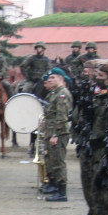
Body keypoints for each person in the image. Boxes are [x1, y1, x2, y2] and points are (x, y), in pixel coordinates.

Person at [41, 67, 73, 202]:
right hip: (52, 130)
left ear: (61, 78)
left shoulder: (62, 94)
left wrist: (55, 134)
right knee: (52, 160)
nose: (49, 80)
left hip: (59, 132)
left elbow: (61, 117)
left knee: (58, 162)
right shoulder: (55, 93)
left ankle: (62, 192)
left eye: (52, 77)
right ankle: (55, 186)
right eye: (49, 78)